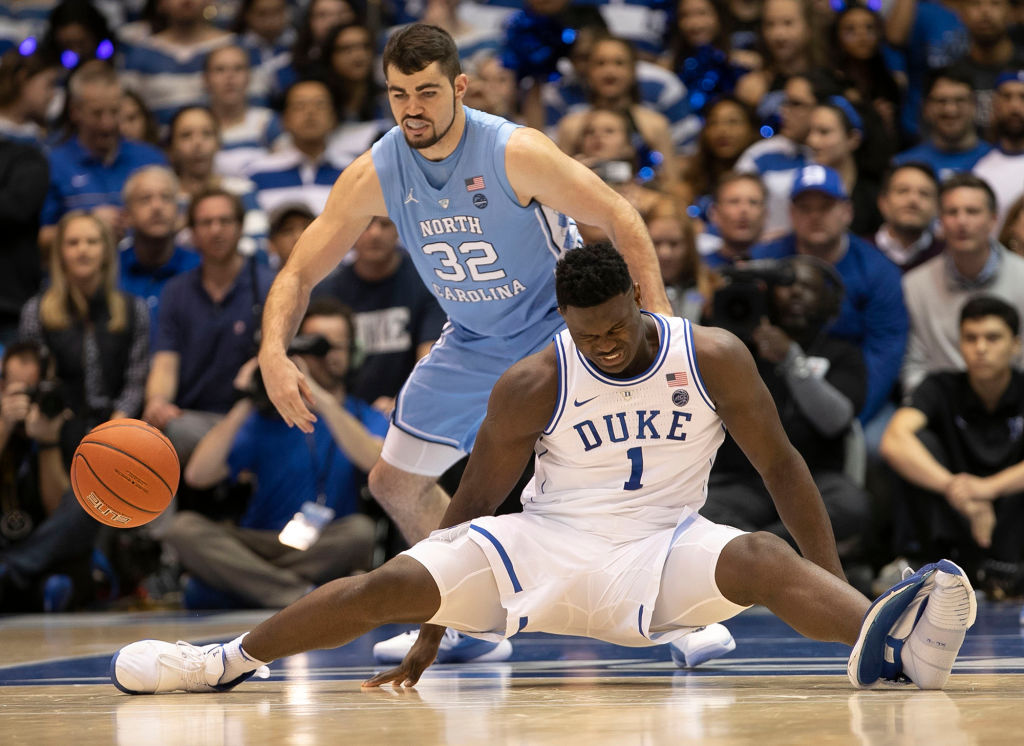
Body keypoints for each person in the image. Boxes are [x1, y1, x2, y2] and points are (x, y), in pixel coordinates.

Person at [110, 242, 977, 695]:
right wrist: (431, 629)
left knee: (761, 554)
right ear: (564, 320)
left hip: (661, 550)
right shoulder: (534, 381)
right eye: (586, 334)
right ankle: (225, 660)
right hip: (543, 547)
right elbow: (473, 503)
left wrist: (841, 596)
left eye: (616, 328)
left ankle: (888, 644)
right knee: (387, 581)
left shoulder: (711, 355)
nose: (604, 345)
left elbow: (784, 469)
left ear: (638, 301)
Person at [256, 24, 671, 662]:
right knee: (395, 483)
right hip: (473, 341)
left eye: (427, 92)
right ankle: (472, 618)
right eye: (399, 94)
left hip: (559, 332)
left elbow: (620, 214)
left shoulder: (514, 151)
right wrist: (272, 352)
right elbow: (300, 272)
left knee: (604, 487)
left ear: (460, 87)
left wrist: (660, 321)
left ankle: (676, 613)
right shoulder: (377, 170)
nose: (412, 109)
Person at [168, 298, 387, 609]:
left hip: (323, 542)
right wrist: (249, 397)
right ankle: (301, 595)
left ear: (353, 353)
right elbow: (198, 475)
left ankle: (246, 588)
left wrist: (315, 393)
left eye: (331, 347)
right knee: (182, 529)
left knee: (361, 532)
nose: (321, 356)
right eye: (312, 346)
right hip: (258, 542)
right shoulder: (265, 419)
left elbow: (376, 462)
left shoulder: (362, 415)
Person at [701, 255, 869, 560]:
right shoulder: (736, 350)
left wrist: (791, 359)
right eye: (787, 286)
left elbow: (836, 419)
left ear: (828, 300)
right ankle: (779, 558)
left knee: (851, 504)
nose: (795, 293)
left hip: (815, 482)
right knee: (701, 510)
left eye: (808, 287)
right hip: (744, 483)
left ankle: (762, 557)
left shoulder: (843, 354)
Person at [881, 295, 1024, 588]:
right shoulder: (939, 386)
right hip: (957, 514)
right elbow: (893, 440)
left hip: (1012, 512)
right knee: (918, 441)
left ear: (1016, 345)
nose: (980, 348)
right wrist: (956, 489)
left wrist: (987, 488)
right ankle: (924, 564)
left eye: (993, 338)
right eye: (971, 338)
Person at [753, 164, 908, 425]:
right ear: (791, 213)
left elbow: (884, 352)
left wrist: (850, 418)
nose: (815, 217)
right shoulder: (764, 260)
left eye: (825, 207)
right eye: (805, 208)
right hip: (771, 384)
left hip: (850, 384)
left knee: (874, 443)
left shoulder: (879, 271)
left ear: (847, 212)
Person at [143, 188, 274, 465]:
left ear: (240, 227)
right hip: (193, 418)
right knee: (157, 434)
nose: (216, 230)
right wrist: (158, 401)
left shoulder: (269, 286)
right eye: (206, 222)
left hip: (253, 416)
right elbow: (165, 361)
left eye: (225, 221)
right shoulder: (176, 291)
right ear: (192, 232)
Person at [18, 211, 150, 451]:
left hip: (120, 431)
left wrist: (114, 428)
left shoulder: (134, 308)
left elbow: (135, 382)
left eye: (92, 241)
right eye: (73, 243)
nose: (83, 250)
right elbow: (36, 380)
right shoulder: (36, 311)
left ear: (106, 251)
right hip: (57, 428)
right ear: (60, 253)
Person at [901, 173, 1024, 396]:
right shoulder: (914, 285)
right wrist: (934, 407)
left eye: (972, 211)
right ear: (940, 220)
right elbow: (913, 366)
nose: (962, 222)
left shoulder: (1022, 276)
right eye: (952, 212)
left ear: (993, 220)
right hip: (939, 406)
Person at [0, 341, 99, 613]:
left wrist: (48, 443)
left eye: (36, 391)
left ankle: (13, 570)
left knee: (87, 501)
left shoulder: (65, 423)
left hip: (50, 556)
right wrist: (5, 426)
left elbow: (62, 513)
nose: (30, 400)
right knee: (55, 587)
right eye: (20, 392)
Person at [313, 216, 446, 415]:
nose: (375, 233)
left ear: (399, 227)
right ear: (349, 230)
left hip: (409, 408)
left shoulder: (428, 281)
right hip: (343, 410)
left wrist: (404, 402)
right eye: (366, 224)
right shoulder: (327, 291)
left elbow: (430, 356)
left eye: (384, 224)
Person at [40, 61, 166, 250]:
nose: (107, 123)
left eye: (114, 112)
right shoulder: (54, 164)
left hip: (142, 265)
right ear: (75, 112)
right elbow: (38, 238)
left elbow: (176, 221)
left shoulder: (151, 160)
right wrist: (88, 224)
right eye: (97, 113)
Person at [118, 166, 201, 334]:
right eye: (145, 199)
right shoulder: (111, 270)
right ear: (127, 216)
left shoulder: (201, 269)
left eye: (166, 198)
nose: (157, 206)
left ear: (178, 212)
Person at [246, 80, 346, 217]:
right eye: (299, 105)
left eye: (320, 104)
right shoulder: (257, 173)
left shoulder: (352, 171)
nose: (310, 112)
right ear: (284, 120)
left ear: (334, 117)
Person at [893, 68, 993, 181]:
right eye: (941, 101)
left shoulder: (997, 160)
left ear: (975, 105)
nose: (951, 110)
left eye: (960, 100)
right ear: (926, 108)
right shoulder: (903, 165)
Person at [972, 69, 1024, 231]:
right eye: (1007, 97)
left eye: (1023, 97)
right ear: (994, 103)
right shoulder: (976, 163)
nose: (1015, 106)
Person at [873, 162, 944, 273]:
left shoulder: (947, 257)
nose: (913, 200)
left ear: (937, 207)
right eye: (903, 190)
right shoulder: (856, 253)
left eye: (924, 193)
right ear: (883, 202)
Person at [702, 171, 767, 268]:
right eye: (734, 202)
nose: (744, 209)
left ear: (765, 214)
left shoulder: (782, 264)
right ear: (715, 213)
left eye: (753, 202)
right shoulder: (700, 268)